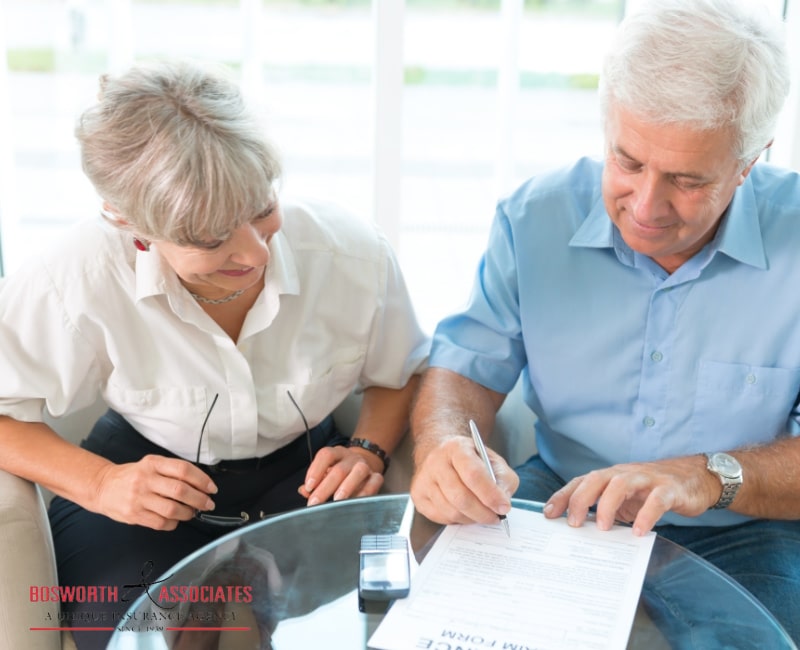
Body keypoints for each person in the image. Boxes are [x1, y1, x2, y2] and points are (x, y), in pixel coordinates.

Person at [0, 59, 428, 648]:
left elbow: (400, 371)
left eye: (261, 210)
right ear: (129, 223)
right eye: (210, 238)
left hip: (305, 480)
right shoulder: (71, 278)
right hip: (139, 484)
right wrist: (101, 485)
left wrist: (368, 448)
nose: (253, 254)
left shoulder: (350, 254)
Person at [410, 0, 800, 642]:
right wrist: (444, 443)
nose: (646, 206)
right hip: (563, 493)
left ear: (749, 162)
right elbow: (463, 369)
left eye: (686, 179)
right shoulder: (533, 218)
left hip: (740, 525)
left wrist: (703, 475)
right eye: (628, 161)